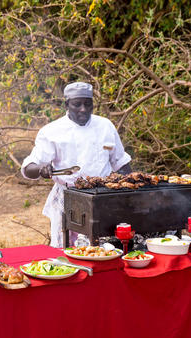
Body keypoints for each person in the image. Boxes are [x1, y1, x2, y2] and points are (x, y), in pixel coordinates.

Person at [21, 82, 132, 247]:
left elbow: (121, 163)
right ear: (66, 104)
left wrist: (125, 191)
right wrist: (41, 169)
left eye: (88, 104)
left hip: (102, 197)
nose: (83, 109)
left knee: (103, 249)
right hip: (68, 198)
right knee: (66, 252)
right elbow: (28, 168)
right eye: (77, 104)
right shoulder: (52, 131)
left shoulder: (105, 126)